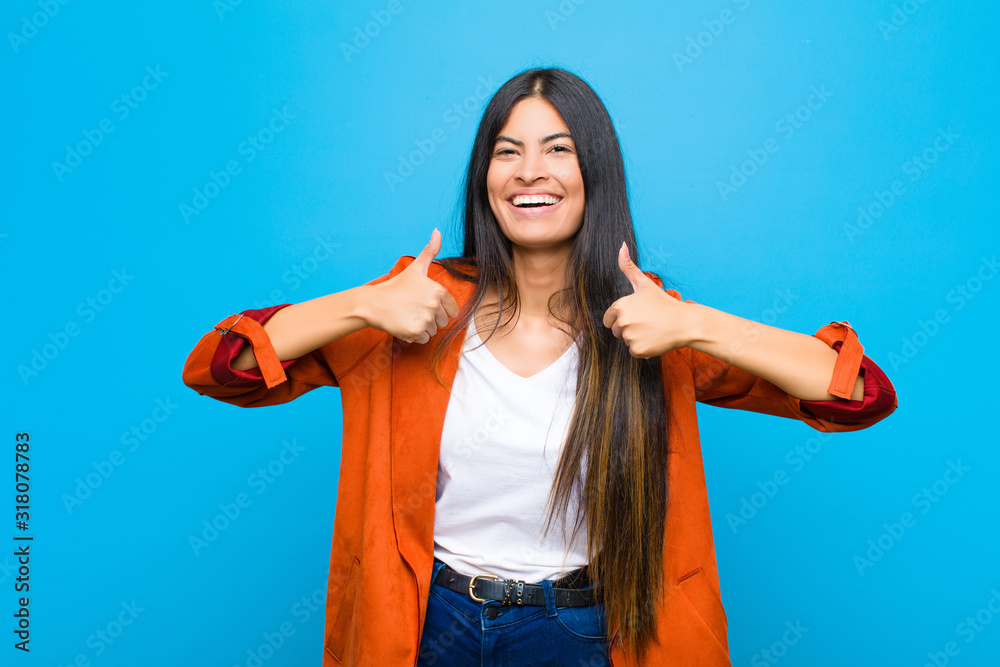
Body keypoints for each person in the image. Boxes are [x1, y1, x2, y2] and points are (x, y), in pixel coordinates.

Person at [182, 67, 897, 666]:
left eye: (558, 149)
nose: (531, 172)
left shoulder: (650, 321)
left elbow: (857, 394)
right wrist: (362, 307)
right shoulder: (415, 307)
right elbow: (220, 369)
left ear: (595, 173)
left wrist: (695, 324)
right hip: (430, 627)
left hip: (582, 632)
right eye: (507, 151)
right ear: (484, 174)